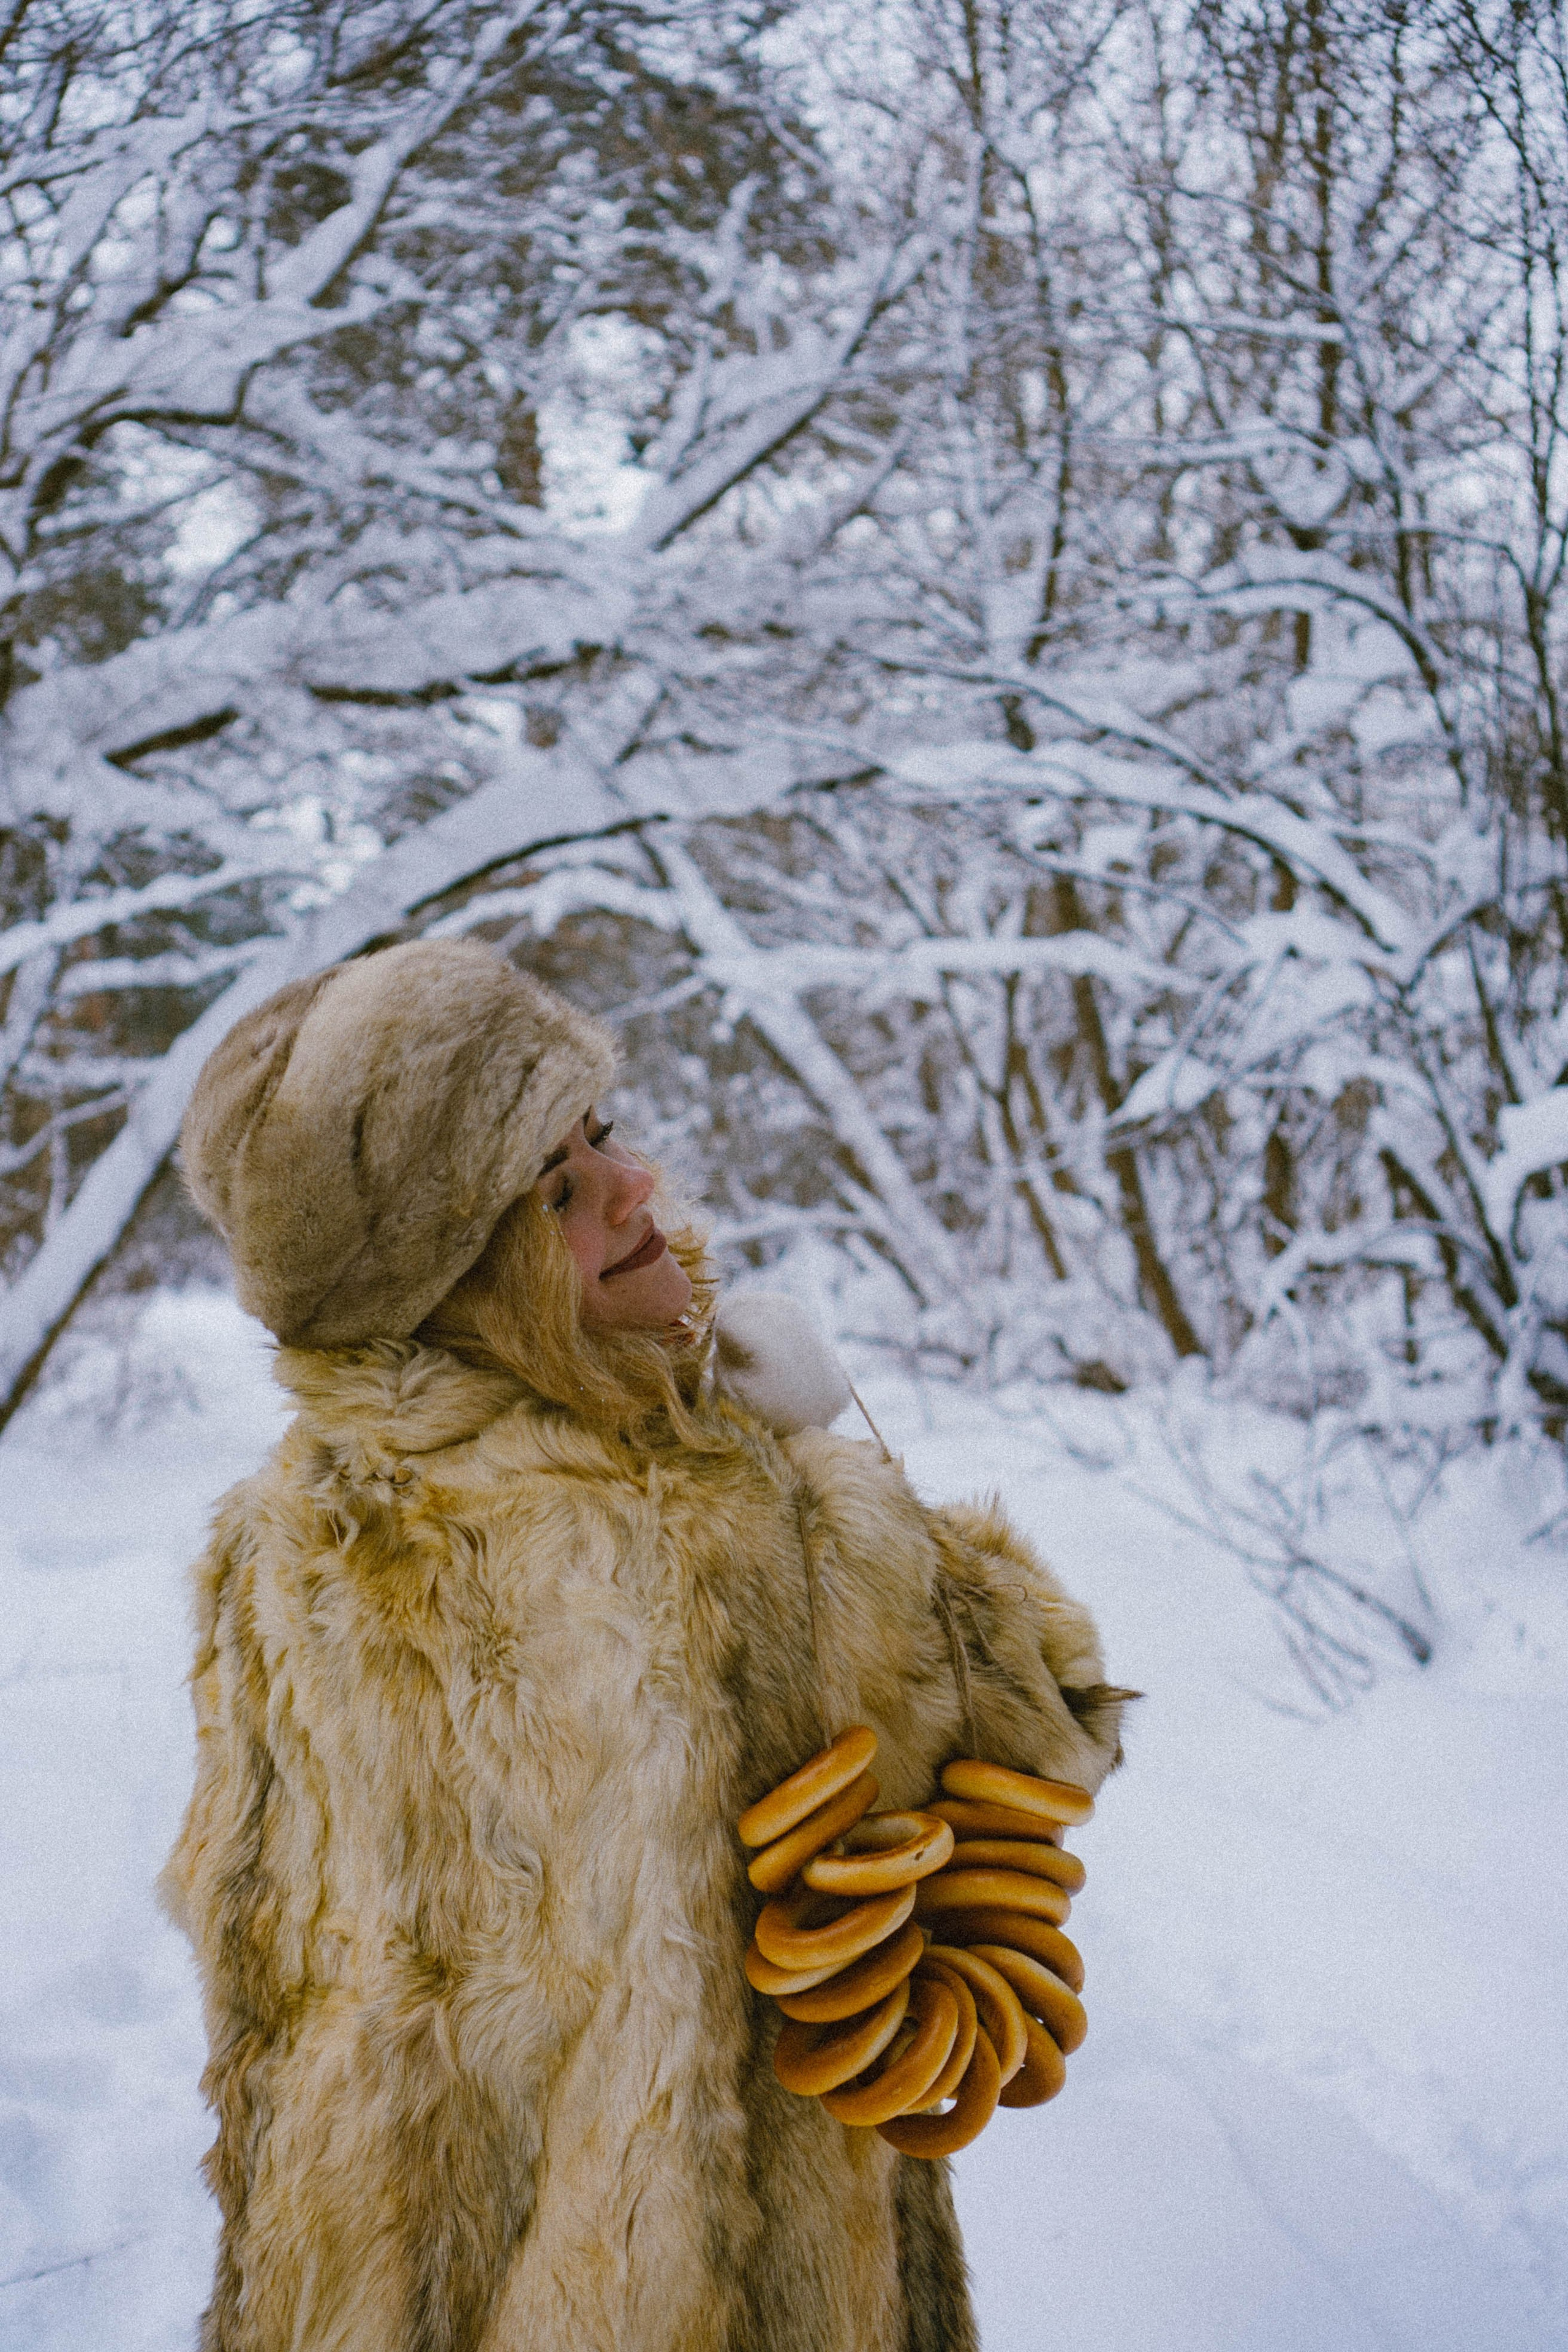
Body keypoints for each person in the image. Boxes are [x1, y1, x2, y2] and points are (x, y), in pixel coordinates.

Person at [162, 938, 1127, 2352]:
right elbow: (1055, 1716)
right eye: (556, 1190)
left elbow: (260, 1982)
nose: (634, 1189)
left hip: (430, 2288)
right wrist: (816, 1465)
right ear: (457, 1275)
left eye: (598, 1133)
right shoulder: (740, 1517)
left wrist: (802, 1444)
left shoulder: (291, 1532)